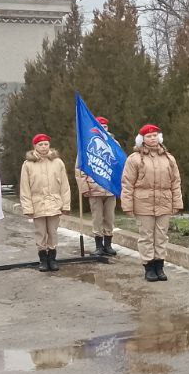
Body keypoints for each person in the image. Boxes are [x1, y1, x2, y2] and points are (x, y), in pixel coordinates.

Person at [120, 124, 182, 283]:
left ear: (159, 137)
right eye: (149, 136)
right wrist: (127, 205)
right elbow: (127, 183)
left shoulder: (169, 158)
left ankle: (159, 266)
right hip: (143, 203)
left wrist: (177, 202)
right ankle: (149, 266)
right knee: (146, 236)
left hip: (164, 202)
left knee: (161, 236)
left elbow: (175, 182)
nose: (152, 138)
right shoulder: (134, 159)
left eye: (155, 135)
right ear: (142, 139)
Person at [19, 133, 71, 272]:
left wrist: (65, 205)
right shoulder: (28, 164)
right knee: (40, 233)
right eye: (40, 144)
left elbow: (64, 186)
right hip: (37, 204)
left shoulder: (58, 162)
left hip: (54, 203)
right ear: (35, 146)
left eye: (46, 144)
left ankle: (52, 259)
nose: (43, 147)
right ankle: (43, 259)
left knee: (52, 232)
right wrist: (27, 207)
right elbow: (25, 188)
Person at [78, 116, 118, 258]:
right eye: (100, 126)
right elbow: (80, 169)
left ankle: (108, 245)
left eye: (105, 127)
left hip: (110, 188)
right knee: (97, 218)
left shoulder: (114, 144)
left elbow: (119, 166)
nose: (103, 129)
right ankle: (98, 246)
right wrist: (84, 187)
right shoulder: (86, 144)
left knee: (109, 218)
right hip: (94, 188)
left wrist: (119, 185)